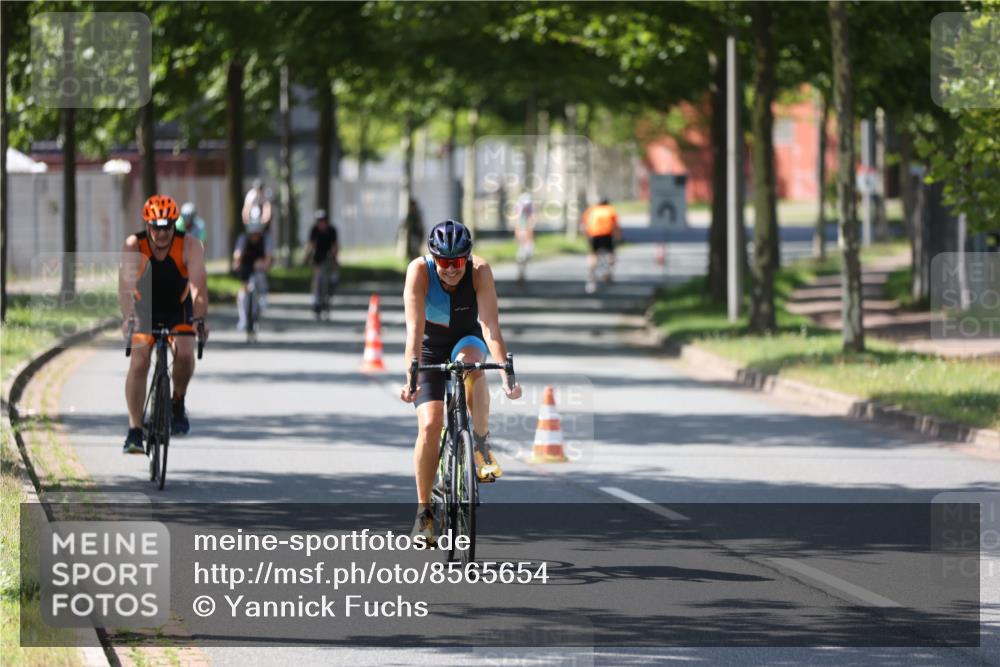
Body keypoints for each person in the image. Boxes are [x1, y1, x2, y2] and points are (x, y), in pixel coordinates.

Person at [399, 220, 522, 542]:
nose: (451, 269)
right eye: (444, 261)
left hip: (466, 338)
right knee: (429, 425)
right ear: (433, 258)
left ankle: (480, 443)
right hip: (429, 345)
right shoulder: (420, 272)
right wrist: (410, 377)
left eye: (457, 262)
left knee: (473, 367)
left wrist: (507, 375)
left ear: (467, 258)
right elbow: (413, 330)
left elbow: (489, 326)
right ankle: (424, 513)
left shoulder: (480, 271)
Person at [119, 195, 209, 454]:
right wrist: (128, 316)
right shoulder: (134, 245)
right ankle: (135, 430)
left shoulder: (190, 245)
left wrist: (199, 319)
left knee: (184, 352)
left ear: (174, 224)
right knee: (138, 361)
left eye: (167, 226)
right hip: (144, 309)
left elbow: (198, 289)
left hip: (177, 309)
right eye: (156, 227)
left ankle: (177, 401)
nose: (161, 232)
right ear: (147, 225)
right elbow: (125, 289)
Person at [232, 216, 274, 331]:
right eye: (252, 233)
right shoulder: (243, 238)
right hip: (246, 265)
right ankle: (243, 319)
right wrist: (236, 262)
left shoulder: (266, 238)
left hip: (260, 265)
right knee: (242, 295)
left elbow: (269, 256)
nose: (254, 236)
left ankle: (263, 297)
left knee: (260, 278)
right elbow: (237, 254)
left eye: (256, 233)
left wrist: (265, 264)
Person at [580, 197, 622, 293]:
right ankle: (608, 273)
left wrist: (586, 235)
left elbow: (583, 225)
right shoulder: (610, 210)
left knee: (593, 254)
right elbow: (616, 225)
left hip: (594, 235)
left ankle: (591, 276)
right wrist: (619, 237)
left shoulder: (591, 210)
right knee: (611, 254)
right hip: (607, 235)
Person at [303, 209, 339, 317]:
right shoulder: (314, 230)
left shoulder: (332, 230)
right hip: (318, 256)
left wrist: (335, 258)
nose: (320, 223)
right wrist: (305, 257)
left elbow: (334, 246)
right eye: (319, 221)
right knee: (317, 277)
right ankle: (316, 299)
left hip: (328, 256)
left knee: (333, 277)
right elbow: (311, 245)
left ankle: (329, 294)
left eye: (322, 221)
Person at [513, 192, 536, 287]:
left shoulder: (530, 213)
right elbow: (517, 228)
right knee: (521, 258)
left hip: (528, 240)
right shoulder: (519, 215)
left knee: (526, 257)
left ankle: (522, 276)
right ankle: (521, 277)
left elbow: (532, 226)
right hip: (523, 240)